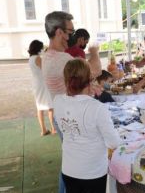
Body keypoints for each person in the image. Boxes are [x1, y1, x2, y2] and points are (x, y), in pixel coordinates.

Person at [42, 11, 101, 193]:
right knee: (76, 164)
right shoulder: (62, 59)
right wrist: (95, 52)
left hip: (63, 116)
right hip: (72, 118)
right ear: (59, 32)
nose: (72, 37)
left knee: (70, 160)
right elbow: (95, 71)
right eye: (70, 32)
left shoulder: (48, 55)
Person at [54, 59, 120, 193]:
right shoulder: (97, 108)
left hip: (69, 169)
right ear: (90, 79)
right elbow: (114, 142)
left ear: (66, 80)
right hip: (93, 172)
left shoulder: (57, 101)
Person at [28, 40, 56, 136]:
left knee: (40, 107)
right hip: (43, 84)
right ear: (38, 48)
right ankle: (53, 129)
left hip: (36, 84)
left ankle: (43, 130)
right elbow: (45, 70)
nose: (42, 49)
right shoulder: (38, 58)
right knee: (50, 107)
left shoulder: (31, 58)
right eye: (41, 47)